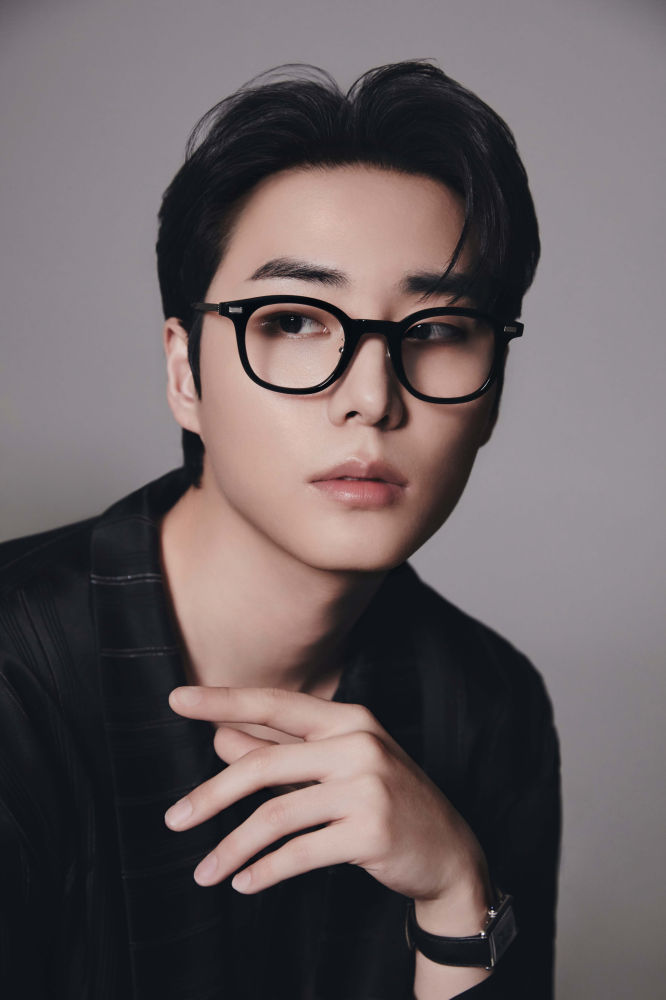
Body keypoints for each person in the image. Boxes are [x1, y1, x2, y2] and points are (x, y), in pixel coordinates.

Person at [0, 61, 560, 999]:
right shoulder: (20, 672)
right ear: (186, 373)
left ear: (493, 394)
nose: (371, 398)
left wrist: (456, 895)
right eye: (295, 320)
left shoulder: (489, 702)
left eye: (436, 330)